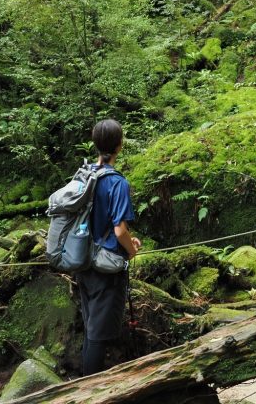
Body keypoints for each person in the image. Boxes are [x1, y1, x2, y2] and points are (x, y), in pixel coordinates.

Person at [75, 118, 141, 376]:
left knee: (91, 329)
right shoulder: (117, 183)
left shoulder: (84, 175)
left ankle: (84, 387)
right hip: (107, 268)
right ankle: (88, 391)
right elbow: (119, 230)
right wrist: (132, 249)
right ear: (119, 146)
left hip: (83, 260)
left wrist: (128, 239)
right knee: (98, 335)